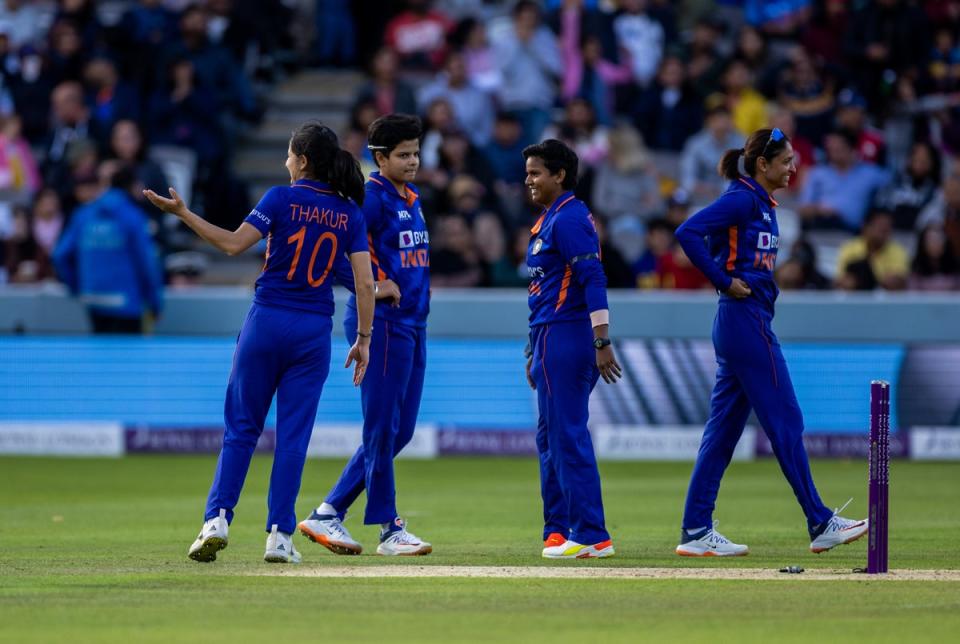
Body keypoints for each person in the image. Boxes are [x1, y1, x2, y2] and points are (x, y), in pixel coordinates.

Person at [143, 122, 375, 564]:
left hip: (266, 322)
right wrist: (363, 338)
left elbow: (232, 245)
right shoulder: (349, 214)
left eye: (289, 155)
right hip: (312, 333)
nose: (286, 162)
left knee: (241, 429)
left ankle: (216, 519)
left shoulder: (280, 199)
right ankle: (280, 536)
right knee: (293, 436)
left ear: (303, 160)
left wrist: (184, 214)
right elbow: (363, 285)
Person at [673, 127, 869, 556]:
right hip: (745, 322)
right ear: (763, 164)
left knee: (722, 434)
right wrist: (724, 280)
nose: (794, 168)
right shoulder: (743, 197)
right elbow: (688, 232)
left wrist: (726, 275)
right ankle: (820, 521)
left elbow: (714, 242)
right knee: (787, 421)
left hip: (744, 322)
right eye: (786, 161)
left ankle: (695, 531)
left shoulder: (762, 204)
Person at [298, 114, 433, 557]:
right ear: (379, 158)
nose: (413, 161)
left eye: (416, 152)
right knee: (381, 427)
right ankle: (390, 529)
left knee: (401, 430)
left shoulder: (410, 198)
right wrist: (375, 288)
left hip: (414, 324)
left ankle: (328, 512)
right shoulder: (370, 199)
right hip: (384, 323)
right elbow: (340, 254)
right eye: (403, 155)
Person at [523, 139, 622, 559]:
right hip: (549, 335)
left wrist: (601, 339)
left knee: (567, 435)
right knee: (551, 436)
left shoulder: (568, 219)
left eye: (535, 172)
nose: (528, 180)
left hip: (567, 335)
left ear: (559, 175)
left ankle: (592, 535)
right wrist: (533, 346)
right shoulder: (552, 218)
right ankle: (559, 530)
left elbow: (593, 279)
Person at [53, 164, 163, 334]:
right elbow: (147, 262)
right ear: (132, 186)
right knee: (128, 358)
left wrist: (77, 286)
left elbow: (60, 255)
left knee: (99, 355)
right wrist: (155, 303)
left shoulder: (84, 213)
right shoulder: (133, 216)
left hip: (92, 298)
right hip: (126, 302)